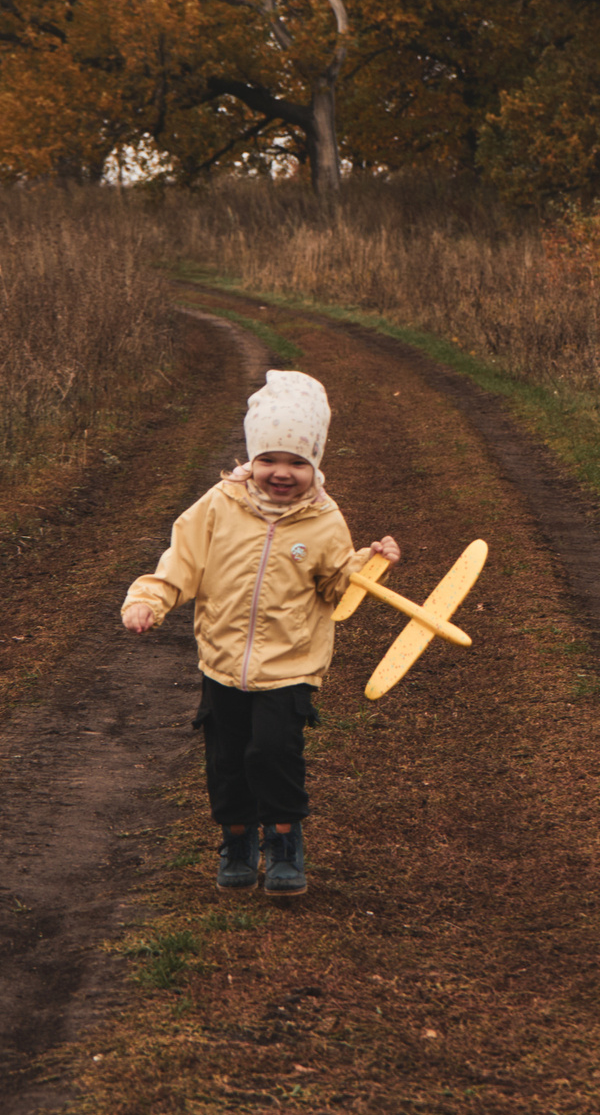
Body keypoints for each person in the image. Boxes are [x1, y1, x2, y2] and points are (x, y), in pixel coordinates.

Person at [120, 370, 400, 896]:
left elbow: (338, 586)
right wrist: (148, 600)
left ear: (315, 465)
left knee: (272, 753)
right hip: (222, 662)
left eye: (298, 462)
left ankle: (285, 841)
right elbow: (181, 563)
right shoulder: (218, 506)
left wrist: (368, 564)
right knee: (228, 760)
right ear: (251, 458)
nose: (281, 472)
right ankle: (238, 840)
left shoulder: (323, 519)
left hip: (291, 664)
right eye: (269, 458)